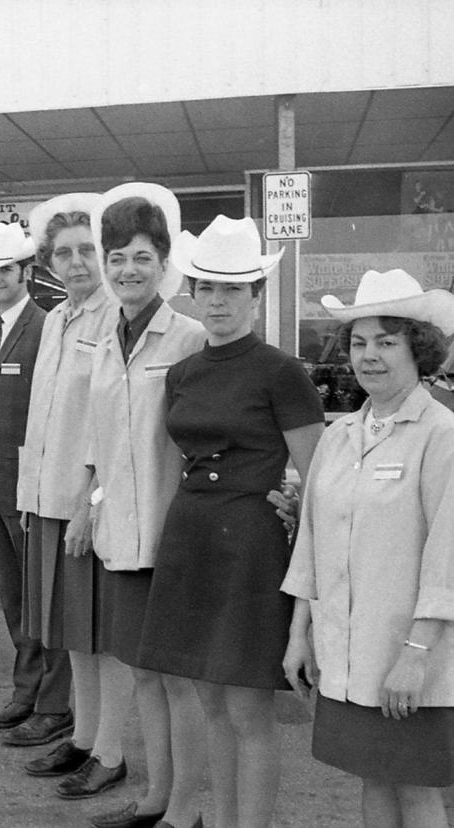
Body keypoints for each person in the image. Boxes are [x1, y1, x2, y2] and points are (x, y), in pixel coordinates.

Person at [133, 216, 326, 828]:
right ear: (193, 290)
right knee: (209, 697)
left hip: (250, 541)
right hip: (191, 535)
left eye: (232, 290)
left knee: (247, 707)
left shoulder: (281, 371)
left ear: (256, 296)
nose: (217, 302)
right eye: (207, 288)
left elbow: (316, 478)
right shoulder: (183, 372)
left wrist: (300, 525)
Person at [283, 268, 454, 828]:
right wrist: (298, 635)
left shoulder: (441, 435)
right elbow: (311, 543)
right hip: (347, 652)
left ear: (418, 349)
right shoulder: (339, 436)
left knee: (416, 791)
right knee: (373, 776)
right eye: (359, 342)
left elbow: (446, 557)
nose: (369, 355)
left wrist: (416, 656)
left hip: (410, 658)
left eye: (387, 341)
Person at [72, 183, 207, 828]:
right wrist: (85, 507)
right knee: (144, 674)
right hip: (120, 536)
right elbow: (100, 448)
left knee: (179, 681)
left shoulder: (190, 339)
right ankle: (155, 797)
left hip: (175, 536)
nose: (127, 270)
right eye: (117, 258)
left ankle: (184, 810)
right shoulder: (103, 343)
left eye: (141, 258)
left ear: (164, 262)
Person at [15, 193, 134, 797]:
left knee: (104, 639)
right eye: (64, 253)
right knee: (72, 632)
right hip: (47, 499)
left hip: (88, 504)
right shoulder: (59, 317)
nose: (78, 262)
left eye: (88, 250)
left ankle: (110, 751)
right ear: (48, 262)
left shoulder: (116, 316)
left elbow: (114, 425)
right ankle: (85, 738)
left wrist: (93, 502)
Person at [0, 221, 74, 743]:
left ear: (26, 272)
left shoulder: (47, 326)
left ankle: (54, 703)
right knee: (12, 597)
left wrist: (35, 489)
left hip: (28, 491)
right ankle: (26, 692)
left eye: (4, 270)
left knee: (41, 601)